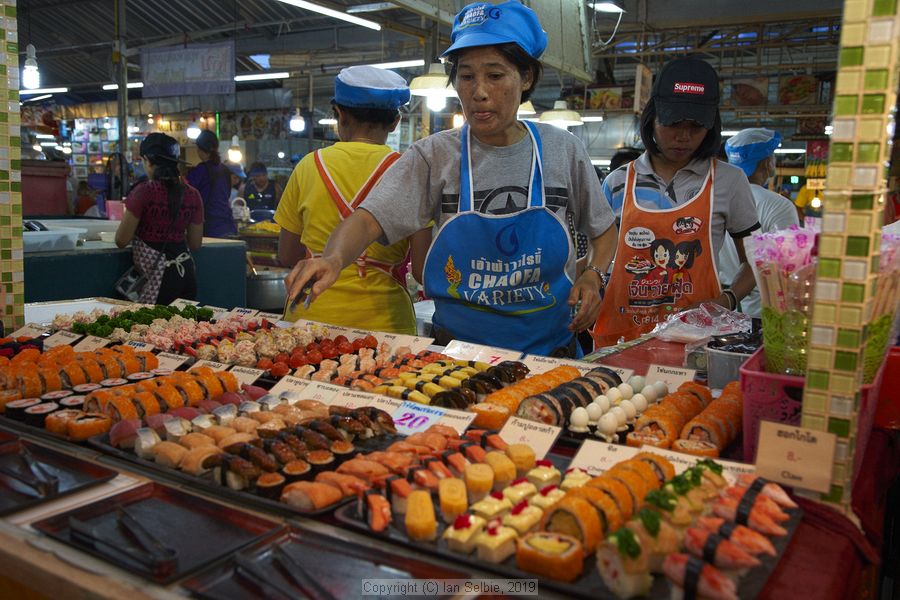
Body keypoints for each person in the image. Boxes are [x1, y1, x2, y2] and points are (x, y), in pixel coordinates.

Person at [284, 1, 617, 356]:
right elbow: (368, 220)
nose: (479, 92)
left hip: (550, 353)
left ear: (527, 77)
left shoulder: (562, 149)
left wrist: (594, 275)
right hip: (456, 358)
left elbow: (603, 229)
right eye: (467, 75)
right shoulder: (433, 156)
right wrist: (333, 259)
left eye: (495, 75)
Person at [593, 57, 760, 347]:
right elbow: (597, 257)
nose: (683, 137)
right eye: (672, 123)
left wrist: (726, 299)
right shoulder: (618, 182)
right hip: (622, 337)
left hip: (694, 338)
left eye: (696, 127)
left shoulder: (728, 182)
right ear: (652, 118)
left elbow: (757, 260)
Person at [276, 65, 426, 334]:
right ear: (395, 121)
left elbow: (287, 254)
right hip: (385, 322)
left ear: (339, 114)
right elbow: (423, 268)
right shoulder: (410, 171)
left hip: (311, 314)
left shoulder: (308, 166)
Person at [115, 133, 204, 304]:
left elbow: (121, 240)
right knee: (186, 328)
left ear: (147, 160)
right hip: (185, 275)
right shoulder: (193, 194)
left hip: (157, 281)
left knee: (154, 329)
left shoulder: (143, 192)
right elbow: (195, 243)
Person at [719, 128, 799, 318]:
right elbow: (788, 267)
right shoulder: (779, 205)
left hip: (718, 305)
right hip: (759, 313)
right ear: (767, 162)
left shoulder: (716, 199)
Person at [186, 130, 236, 237]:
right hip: (228, 225)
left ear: (200, 150)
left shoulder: (200, 171)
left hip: (209, 227)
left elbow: (187, 195)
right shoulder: (225, 169)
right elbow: (227, 194)